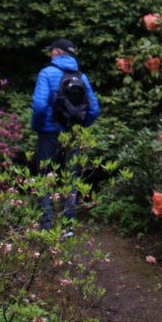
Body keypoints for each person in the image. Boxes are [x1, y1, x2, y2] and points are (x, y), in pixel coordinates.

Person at [31, 38, 100, 234]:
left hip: (48, 135)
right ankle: (66, 227)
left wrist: (38, 126)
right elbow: (94, 109)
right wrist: (78, 127)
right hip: (71, 136)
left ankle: (44, 226)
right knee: (69, 179)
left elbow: (39, 106)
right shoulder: (81, 77)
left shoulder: (46, 73)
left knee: (43, 179)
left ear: (57, 52)